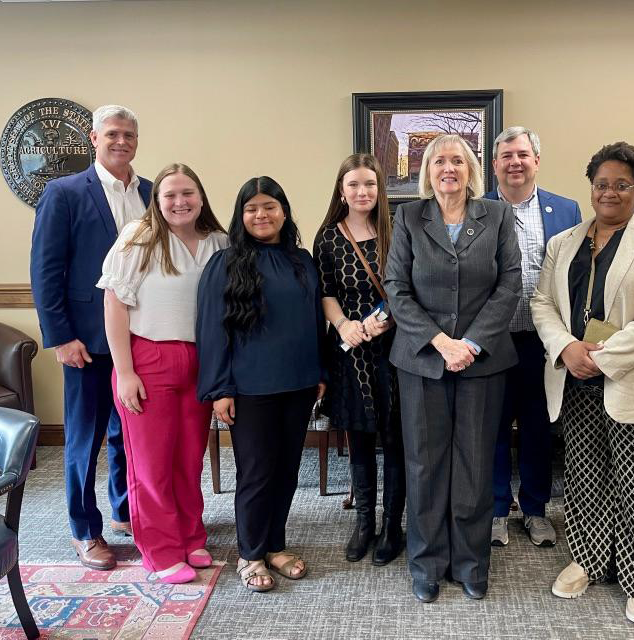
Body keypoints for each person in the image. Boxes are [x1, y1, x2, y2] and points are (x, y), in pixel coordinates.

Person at [531, 142, 634, 625]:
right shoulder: (565, 243)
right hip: (576, 379)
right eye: (602, 184)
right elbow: (543, 303)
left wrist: (603, 358)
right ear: (591, 188)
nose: (610, 192)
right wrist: (568, 349)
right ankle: (588, 559)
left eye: (622, 184)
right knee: (585, 477)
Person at [384, 134, 522, 602]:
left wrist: (472, 344)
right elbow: (396, 287)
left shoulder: (498, 215)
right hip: (422, 361)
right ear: (427, 171)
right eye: (439, 160)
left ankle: (470, 562)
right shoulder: (408, 216)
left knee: (474, 464)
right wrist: (441, 342)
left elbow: (510, 283)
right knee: (424, 464)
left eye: (457, 160)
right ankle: (426, 563)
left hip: (483, 363)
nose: (449, 168)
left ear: (471, 170)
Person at [30, 105, 151, 570]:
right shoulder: (63, 193)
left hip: (141, 337)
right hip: (85, 341)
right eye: (114, 134)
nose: (122, 142)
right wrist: (60, 336)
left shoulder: (150, 192)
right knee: (85, 438)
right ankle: (84, 529)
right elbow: (46, 270)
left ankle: (123, 511)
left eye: (130, 135)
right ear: (94, 138)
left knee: (129, 433)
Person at [196, 176, 326, 593]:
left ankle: (276, 545)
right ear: (241, 216)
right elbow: (213, 330)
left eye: (269, 206)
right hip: (249, 388)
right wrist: (219, 388)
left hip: (300, 383)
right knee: (256, 473)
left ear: (283, 211)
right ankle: (250, 554)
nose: (261, 215)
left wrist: (321, 371)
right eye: (251, 209)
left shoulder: (302, 261)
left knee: (287, 470)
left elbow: (313, 321)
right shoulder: (226, 263)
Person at [99, 163, 227, 583]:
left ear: (201, 197)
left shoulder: (218, 242)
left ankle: (190, 537)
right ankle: (160, 550)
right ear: (156, 201)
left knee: (189, 460)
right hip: (147, 360)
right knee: (151, 464)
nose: (179, 201)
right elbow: (115, 305)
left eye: (187, 193)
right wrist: (125, 371)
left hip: (202, 362)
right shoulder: (138, 237)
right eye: (169, 194)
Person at [483, 126, 582, 548]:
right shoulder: (476, 209)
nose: (515, 162)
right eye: (506, 156)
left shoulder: (566, 210)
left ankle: (537, 509)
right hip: (492, 341)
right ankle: (497, 510)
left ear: (536, 161)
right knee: (493, 429)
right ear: (494, 165)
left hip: (544, 344)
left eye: (522, 154)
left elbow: (578, 277)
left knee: (541, 427)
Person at [313, 153, 405, 565]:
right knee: (360, 440)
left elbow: (412, 285)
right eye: (353, 184)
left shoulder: (398, 229)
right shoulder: (329, 237)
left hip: (396, 348)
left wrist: (389, 319)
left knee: (396, 440)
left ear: (379, 189)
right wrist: (344, 324)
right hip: (351, 350)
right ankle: (364, 522)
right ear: (341, 190)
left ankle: (392, 526)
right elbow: (325, 291)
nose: (362, 191)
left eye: (369, 184)